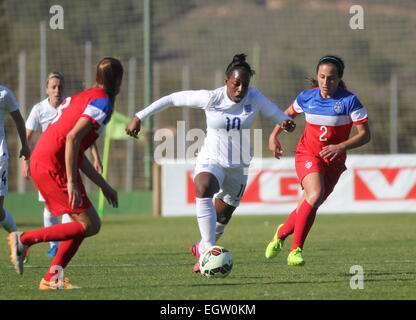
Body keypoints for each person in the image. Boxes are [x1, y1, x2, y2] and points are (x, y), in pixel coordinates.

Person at [126, 53, 296, 273]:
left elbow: (276, 114)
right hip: (212, 159)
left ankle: (202, 247)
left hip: (239, 165)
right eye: (236, 84)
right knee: (203, 185)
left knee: (223, 216)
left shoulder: (254, 97)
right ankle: (207, 249)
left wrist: (286, 122)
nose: (240, 90)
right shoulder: (211, 98)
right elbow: (171, 99)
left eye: (245, 84)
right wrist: (139, 116)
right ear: (226, 81)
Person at [8, 57, 123, 290]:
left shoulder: (84, 97)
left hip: (47, 160)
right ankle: (25, 239)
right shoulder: (102, 103)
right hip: (53, 164)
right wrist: (71, 182)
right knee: (91, 225)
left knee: (84, 222)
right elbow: (72, 138)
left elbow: (77, 152)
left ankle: (52, 278)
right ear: (118, 80)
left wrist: (104, 185)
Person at [265, 55, 371, 266]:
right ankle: (296, 250)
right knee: (314, 195)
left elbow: (365, 135)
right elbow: (287, 114)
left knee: (311, 203)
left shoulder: (349, 101)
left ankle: (281, 233)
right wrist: (273, 135)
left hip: (334, 161)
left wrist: (341, 146)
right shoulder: (307, 97)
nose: (325, 82)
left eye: (331, 78)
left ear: (339, 79)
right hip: (308, 154)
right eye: (321, 77)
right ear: (317, 76)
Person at [22, 71, 103, 258]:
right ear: (47, 90)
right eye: (53, 87)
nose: (57, 90)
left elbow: (84, 133)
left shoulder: (69, 106)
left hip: (68, 162)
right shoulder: (39, 109)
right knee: (50, 207)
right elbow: (26, 137)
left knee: (71, 206)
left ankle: (63, 244)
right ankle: (53, 245)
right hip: (48, 165)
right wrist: (25, 162)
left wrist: (96, 157)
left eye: (60, 87)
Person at [0, 85, 31, 236]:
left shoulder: (4, 93)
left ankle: (18, 237)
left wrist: (25, 146)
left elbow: (19, 120)